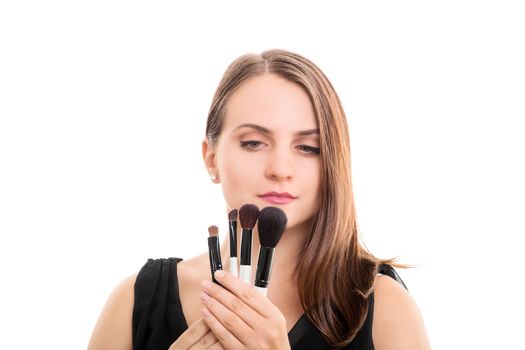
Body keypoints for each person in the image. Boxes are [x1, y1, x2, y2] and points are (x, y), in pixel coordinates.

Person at [88, 49, 431, 350]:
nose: (281, 168)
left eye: (308, 148)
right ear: (211, 158)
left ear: (333, 164)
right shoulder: (135, 301)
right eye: (254, 143)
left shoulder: (384, 307)